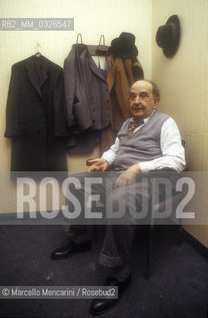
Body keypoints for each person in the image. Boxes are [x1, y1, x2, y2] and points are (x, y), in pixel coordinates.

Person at [51, 80, 186, 315]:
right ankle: (81, 239)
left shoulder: (166, 123)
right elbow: (116, 149)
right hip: (117, 174)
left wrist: (138, 168)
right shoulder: (127, 123)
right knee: (75, 182)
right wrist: (106, 160)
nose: (136, 101)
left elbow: (177, 161)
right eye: (132, 96)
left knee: (118, 201)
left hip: (148, 181)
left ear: (156, 100)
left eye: (143, 96)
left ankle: (120, 273)